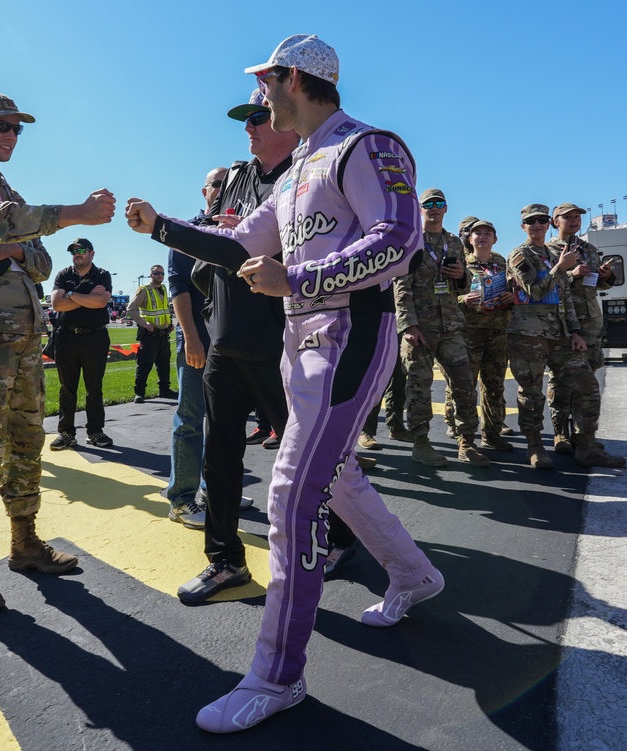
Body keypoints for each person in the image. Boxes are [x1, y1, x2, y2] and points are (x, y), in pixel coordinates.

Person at [127, 33, 443, 733]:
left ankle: (277, 675)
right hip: (301, 347)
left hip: (351, 336)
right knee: (337, 478)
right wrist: (161, 230)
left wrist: (295, 277)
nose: (259, 98)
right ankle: (414, 573)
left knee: (292, 497)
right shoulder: (300, 165)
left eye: (265, 84)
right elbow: (243, 245)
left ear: (293, 79)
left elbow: (399, 240)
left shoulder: (368, 145)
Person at [0, 92, 116, 614]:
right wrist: (74, 214)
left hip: (26, 338)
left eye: (16, 128)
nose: (9, 134)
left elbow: (40, 257)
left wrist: (17, 248)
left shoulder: (6, 190)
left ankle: (25, 542)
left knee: (27, 440)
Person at [175, 91, 295, 585]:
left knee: (311, 455)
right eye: (246, 118)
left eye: (259, 117)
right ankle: (226, 561)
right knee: (220, 459)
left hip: (282, 343)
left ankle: (341, 537)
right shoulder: (238, 178)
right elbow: (214, 252)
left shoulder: (305, 176)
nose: (249, 127)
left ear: (288, 119)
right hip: (225, 338)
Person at [506, 204, 626, 470]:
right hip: (529, 335)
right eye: (530, 221)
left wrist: (574, 331)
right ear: (523, 226)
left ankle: (586, 447)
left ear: (547, 223)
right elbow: (535, 291)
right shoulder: (519, 255)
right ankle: (536, 447)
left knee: (586, 384)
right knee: (532, 393)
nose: (536, 224)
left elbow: (564, 297)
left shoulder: (552, 254)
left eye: (540, 220)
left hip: (560, 333)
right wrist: (561, 268)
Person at [394, 188, 491, 468]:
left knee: (464, 384)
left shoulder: (453, 242)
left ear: (446, 209)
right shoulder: (411, 240)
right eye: (428, 204)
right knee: (419, 387)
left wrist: (462, 276)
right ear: (419, 207)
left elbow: (464, 282)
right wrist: (409, 325)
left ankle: (466, 443)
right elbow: (400, 286)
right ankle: (421, 443)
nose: (434, 208)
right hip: (420, 329)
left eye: (439, 204)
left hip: (450, 325)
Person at [164, 167, 227, 530]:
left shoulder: (237, 229)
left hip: (228, 336)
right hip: (198, 335)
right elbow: (179, 287)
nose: (220, 189)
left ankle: (212, 489)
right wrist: (191, 337)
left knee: (221, 419)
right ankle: (182, 498)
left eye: (227, 183)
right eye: (215, 184)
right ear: (203, 191)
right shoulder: (187, 232)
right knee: (191, 417)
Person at [546, 203, 614, 452]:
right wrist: (571, 273)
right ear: (556, 222)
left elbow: (597, 286)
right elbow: (546, 285)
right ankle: (560, 432)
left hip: (591, 322)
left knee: (587, 378)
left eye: (577, 217)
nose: (574, 221)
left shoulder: (589, 249)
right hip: (564, 322)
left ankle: (581, 433)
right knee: (562, 380)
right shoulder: (549, 250)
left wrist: (606, 276)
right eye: (568, 217)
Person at [452, 219, 515, 451]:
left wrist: (512, 297)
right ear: (470, 239)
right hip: (470, 332)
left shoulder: (501, 262)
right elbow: (447, 295)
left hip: (498, 332)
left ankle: (492, 434)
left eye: (488, 233)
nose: (482, 237)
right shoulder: (461, 263)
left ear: (495, 239)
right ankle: (465, 438)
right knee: (466, 387)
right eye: (477, 233)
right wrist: (462, 299)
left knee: (495, 385)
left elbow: (514, 289)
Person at [48, 238, 114, 451]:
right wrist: (85, 297)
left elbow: (101, 302)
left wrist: (71, 296)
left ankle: (95, 431)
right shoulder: (63, 274)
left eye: (82, 250)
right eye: (74, 251)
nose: (78, 254)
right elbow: (57, 304)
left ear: (91, 253)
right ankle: (66, 433)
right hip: (66, 337)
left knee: (94, 387)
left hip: (95, 337)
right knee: (67, 388)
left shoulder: (102, 274)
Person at [127, 265, 175, 403]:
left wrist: (169, 324)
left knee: (164, 364)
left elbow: (165, 309)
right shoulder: (144, 290)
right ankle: (139, 393)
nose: (160, 275)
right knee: (144, 364)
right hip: (150, 336)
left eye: (162, 273)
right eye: (156, 273)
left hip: (164, 334)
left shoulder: (164, 289)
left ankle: (164, 390)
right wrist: (143, 323)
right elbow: (131, 309)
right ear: (151, 275)